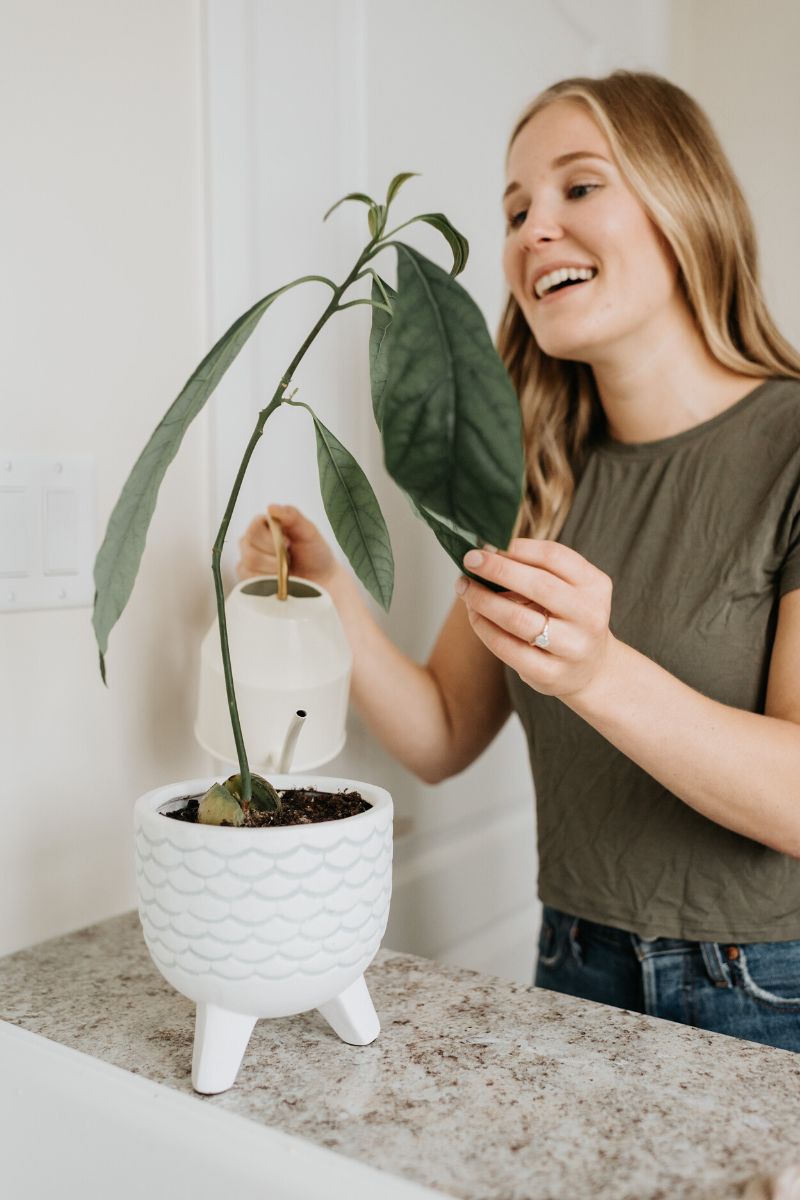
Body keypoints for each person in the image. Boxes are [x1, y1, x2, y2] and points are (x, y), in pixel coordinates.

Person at [237, 71, 800, 1052]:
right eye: (513, 209)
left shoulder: (788, 449)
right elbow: (443, 733)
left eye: (578, 187)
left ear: (686, 203)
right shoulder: (536, 480)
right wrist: (330, 592)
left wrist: (596, 670)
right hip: (569, 967)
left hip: (763, 988)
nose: (530, 231)